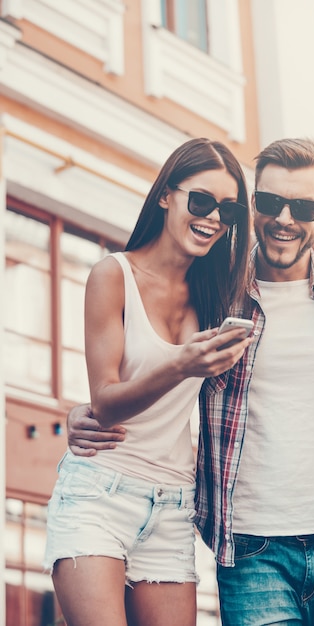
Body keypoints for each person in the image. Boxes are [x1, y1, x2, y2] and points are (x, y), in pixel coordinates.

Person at [66, 138, 314, 626]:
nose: (285, 219)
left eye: (304, 207)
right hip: (253, 548)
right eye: (271, 203)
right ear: (253, 207)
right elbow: (149, 356)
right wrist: (87, 409)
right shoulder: (221, 291)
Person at [43, 137, 255, 626]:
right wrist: (183, 364)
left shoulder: (221, 295)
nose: (213, 219)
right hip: (100, 491)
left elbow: (293, 245)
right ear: (166, 195)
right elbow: (108, 403)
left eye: (228, 211)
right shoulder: (112, 275)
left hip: (173, 506)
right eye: (200, 201)